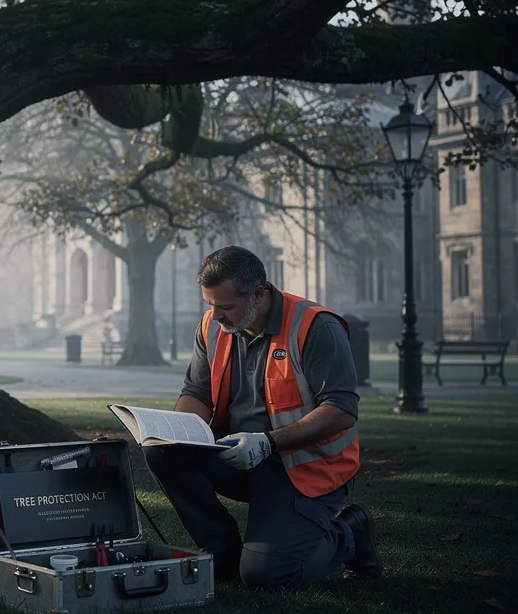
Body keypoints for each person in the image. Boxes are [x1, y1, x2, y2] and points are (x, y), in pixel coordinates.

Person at [143, 245, 381, 589]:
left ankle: (349, 532)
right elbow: (197, 393)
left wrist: (268, 443)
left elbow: (341, 411)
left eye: (226, 306)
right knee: (161, 450)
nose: (217, 315)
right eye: (210, 305)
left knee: (267, 577)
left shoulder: (316, 326)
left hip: (305, 467)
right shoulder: (213, 325)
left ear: (258, 293)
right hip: (236, 455)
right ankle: (222, 555)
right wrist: (179, 430)